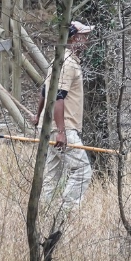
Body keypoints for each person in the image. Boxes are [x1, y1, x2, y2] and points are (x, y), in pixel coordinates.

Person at [36, 21, 95, 231]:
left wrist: (38, 117)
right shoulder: (67, 63)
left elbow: (45, 92)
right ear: (72, 38)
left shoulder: (60, 61)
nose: (86, 41)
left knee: (52, 176)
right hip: (64, 128)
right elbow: (58, 98)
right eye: (83, 36)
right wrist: (61, 132)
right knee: (82, 171)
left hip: (52, 127)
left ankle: (42, 217)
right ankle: (63, 215)